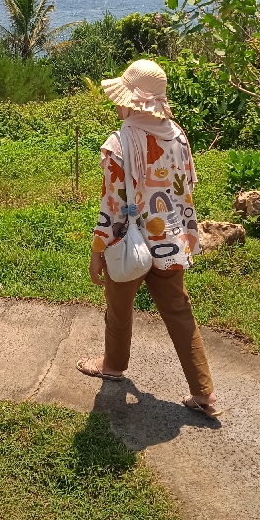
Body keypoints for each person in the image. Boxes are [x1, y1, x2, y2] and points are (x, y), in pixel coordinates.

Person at [77, 59, 222, 418]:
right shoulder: (178, 135)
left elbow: (112, 206)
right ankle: (203, 393)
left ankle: (112, 366)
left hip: (130, 244)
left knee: (118, 307)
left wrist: (98, 250)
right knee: (179, 311)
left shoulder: (118, 143)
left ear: (131, 101)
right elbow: (184, 191)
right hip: (171, 242)